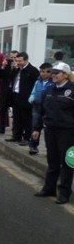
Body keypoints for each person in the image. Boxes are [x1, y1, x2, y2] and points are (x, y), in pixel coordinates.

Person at [32, 62, 74, 205]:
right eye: (53, 72)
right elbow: (41, 111)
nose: (53, 75)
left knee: (67, 163)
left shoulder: (72, 90)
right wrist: (37, 128)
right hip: (50, 130)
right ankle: (49, 188)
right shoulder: (49, 90)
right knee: (52, 161)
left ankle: (64, 192)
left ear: (66, 75)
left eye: (57, 73)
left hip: (67, 132)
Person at [7, 52, 40, 145]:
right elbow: (12, 79)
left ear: (26, 60)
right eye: (17, 61)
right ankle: (16, 136)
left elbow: (36, 85)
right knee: (17, 118)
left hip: (26, 98)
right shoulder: (18, 69)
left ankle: (27, 138)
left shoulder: (32, 70)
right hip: (16, 96)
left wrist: (32, 97)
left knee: (26, 119)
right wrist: (13, 69)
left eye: (20, 61)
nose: (18, 62)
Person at [28, 63, 53, 155]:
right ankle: (33, 146)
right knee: (35, 127)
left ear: (50, 72)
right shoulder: (38, 82)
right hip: (37, 108)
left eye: (43, 71)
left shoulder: (53, 83)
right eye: (40, 71)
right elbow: (33, 92)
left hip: (48, 110)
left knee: (48, 130)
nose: (41, 74)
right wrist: (31, 97)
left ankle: (50, 150)